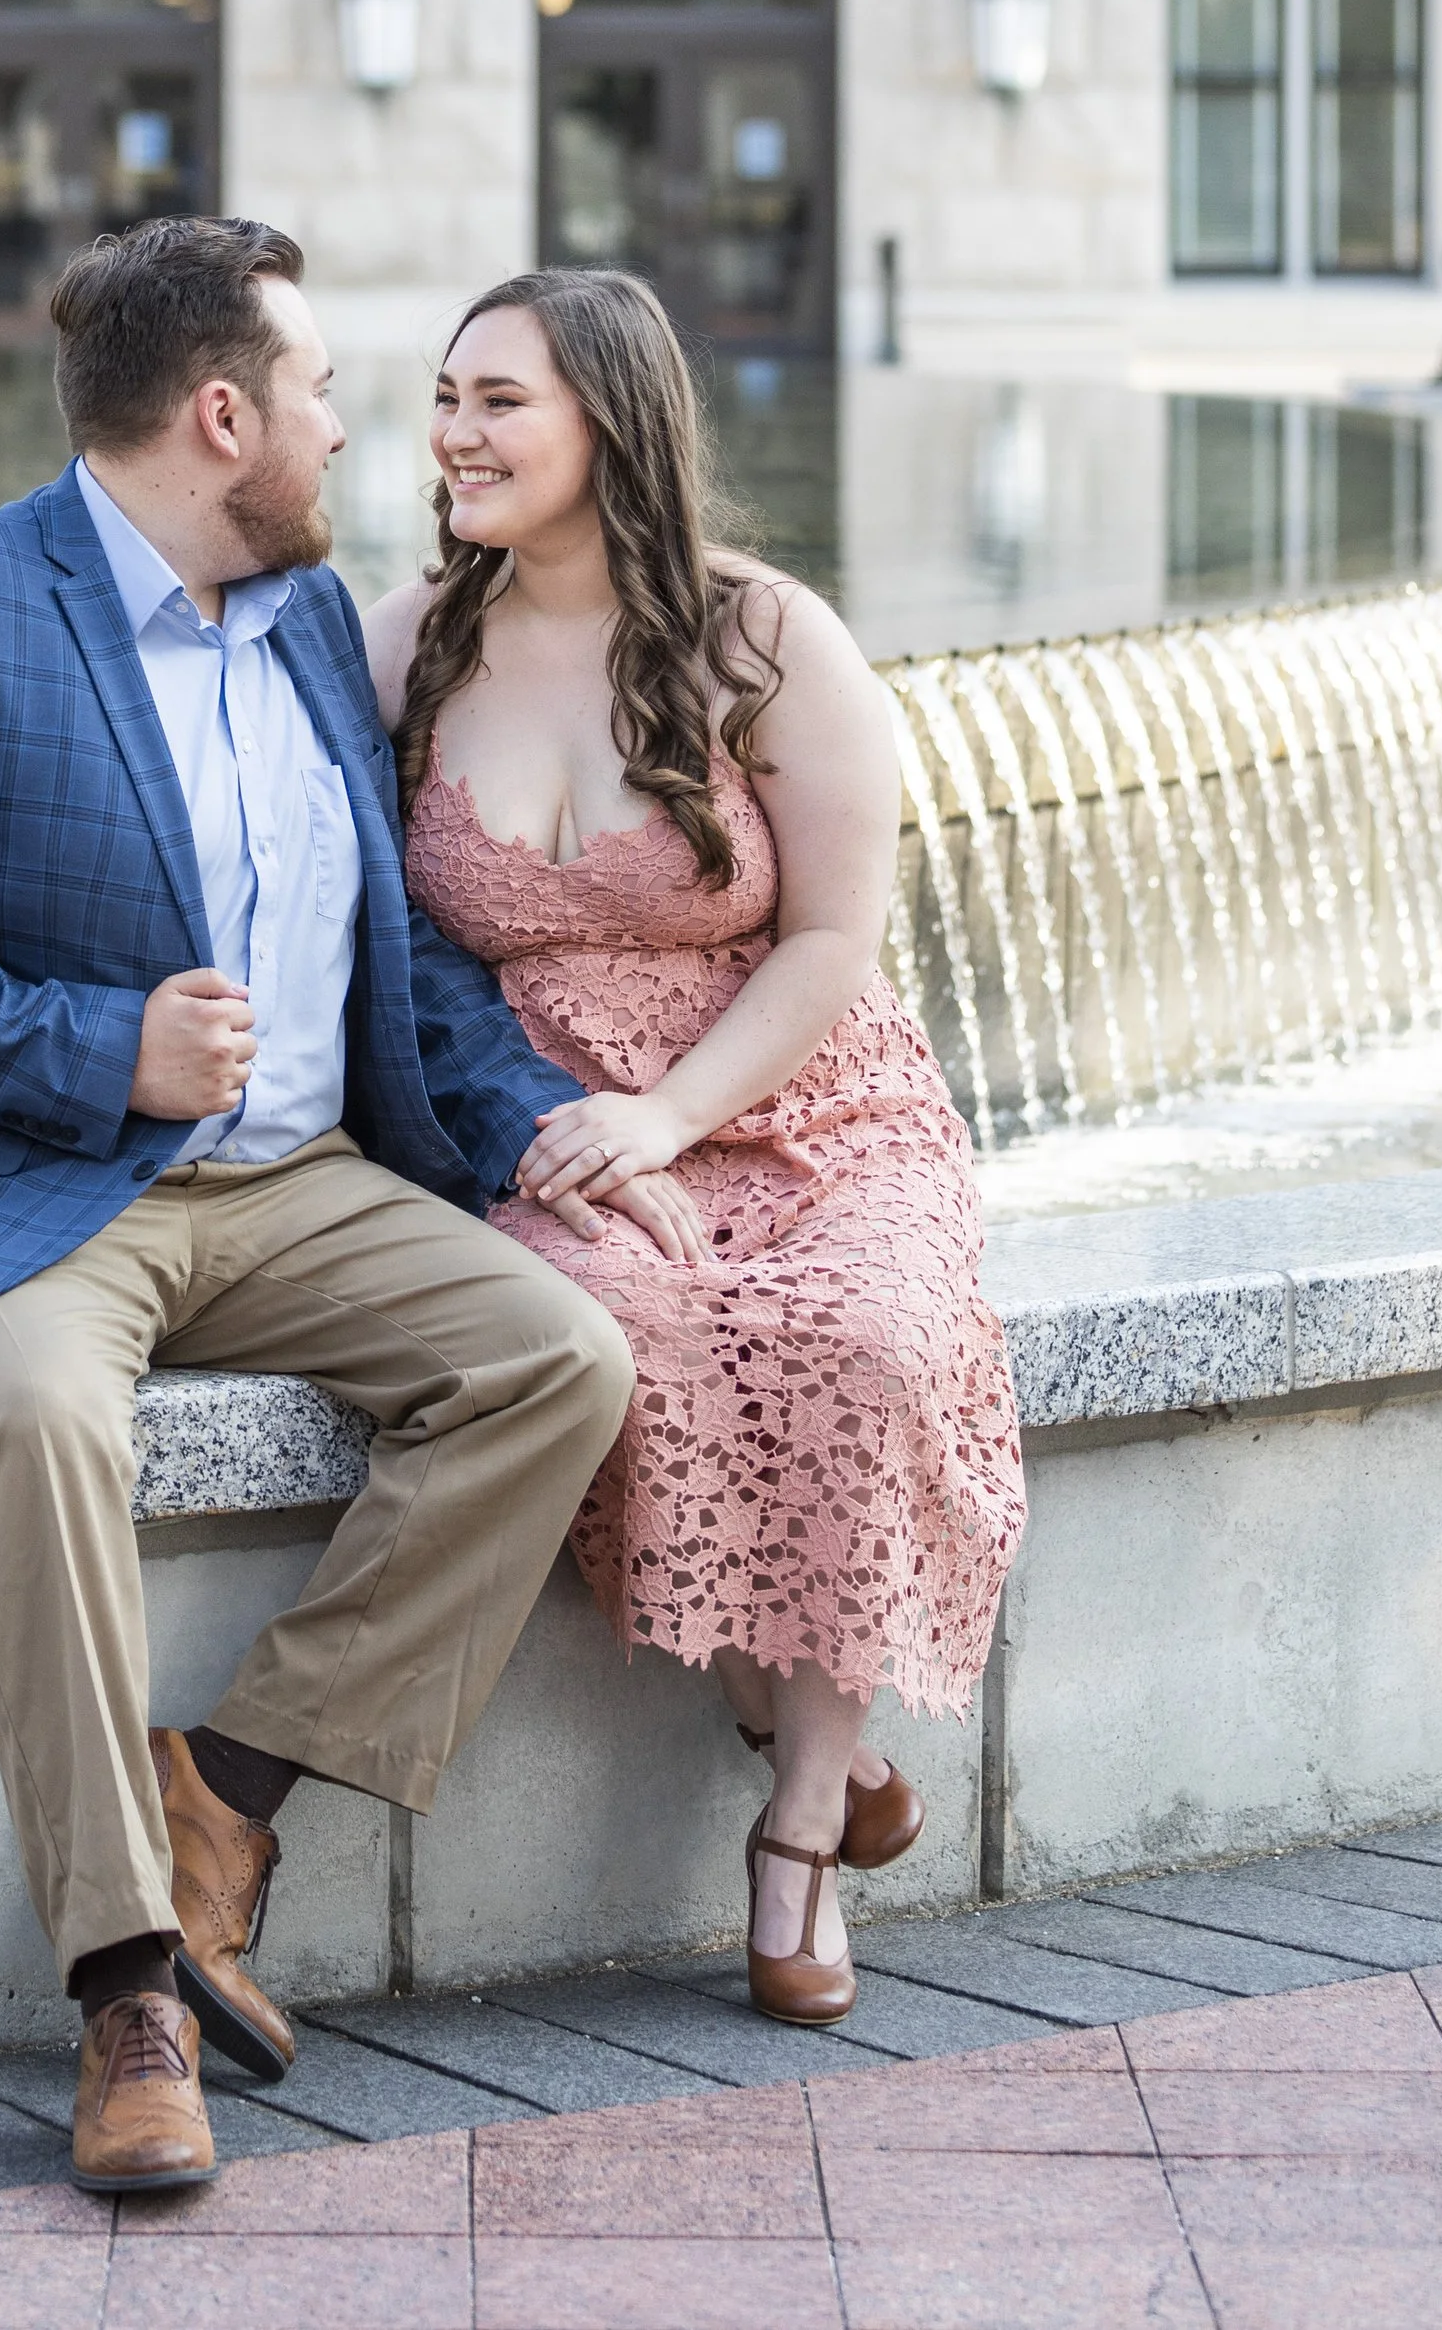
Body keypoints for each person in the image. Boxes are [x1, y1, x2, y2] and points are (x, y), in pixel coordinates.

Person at [0, 219, 637, 2191]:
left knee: (554, 1356)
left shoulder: (313, 622)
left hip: (295, 1185)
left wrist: (551, 1130)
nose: (345, 429)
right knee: (49, 1424)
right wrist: (90, 1048)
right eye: (316, 393)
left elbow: (395, 956)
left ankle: (220, 1792)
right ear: (219, 417)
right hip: (15, 1193)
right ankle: (128, 1982)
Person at [365, 268, 1025, 2030]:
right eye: (445, 398)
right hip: (554, 1123)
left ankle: (800, 1828)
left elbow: (829, 942)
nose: (453, 433)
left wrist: (674, 1106)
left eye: (498, 400)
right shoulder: (404, 640)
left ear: (610, 419)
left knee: (867, 1339)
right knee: (614, 1346)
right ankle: (805, 1722)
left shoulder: (769, 638)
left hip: (798, 1103)